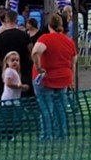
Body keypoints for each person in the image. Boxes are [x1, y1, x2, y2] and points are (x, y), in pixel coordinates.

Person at [31, 14, 77, 142]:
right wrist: (71, 79)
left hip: (46, 79)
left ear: (49, 26)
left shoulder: (45, 39)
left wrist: (38, 67)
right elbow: (73, 62)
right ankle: (61, 134)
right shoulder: (69, 42)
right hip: (63, 79)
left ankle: (47, 135)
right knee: (60, 107)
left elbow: (35, 52)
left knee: (46, 109)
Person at [0, 11, 31, 98]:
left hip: (5, 72)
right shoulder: (25, 36)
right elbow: (31, 52)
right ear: (16, 19)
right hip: (23, 71)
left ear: (6, 19)